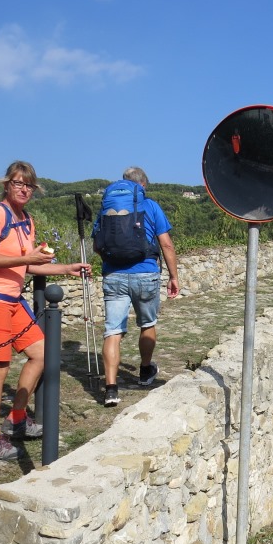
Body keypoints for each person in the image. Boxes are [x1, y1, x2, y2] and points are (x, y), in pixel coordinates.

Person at [0, 160, 90, 461]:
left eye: (29, 185)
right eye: (18, 183)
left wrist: (67, 268)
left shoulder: (26, 220)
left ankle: (17, 418)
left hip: (12, 300)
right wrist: (26, 259)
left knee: (43, 353)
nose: (24, 189)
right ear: (6, 184)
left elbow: (29, 264)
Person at [94, 167, 179, 407]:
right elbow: (166, 244)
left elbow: (97, 246)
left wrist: (114, 261)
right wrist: (173, 276)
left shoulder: (106, 207)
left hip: (114, 275)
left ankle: (111, 389)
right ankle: (144, 371)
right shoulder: (150, 206)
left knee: (113, 331)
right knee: (147, 324)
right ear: (142, 185)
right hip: (146, 274)